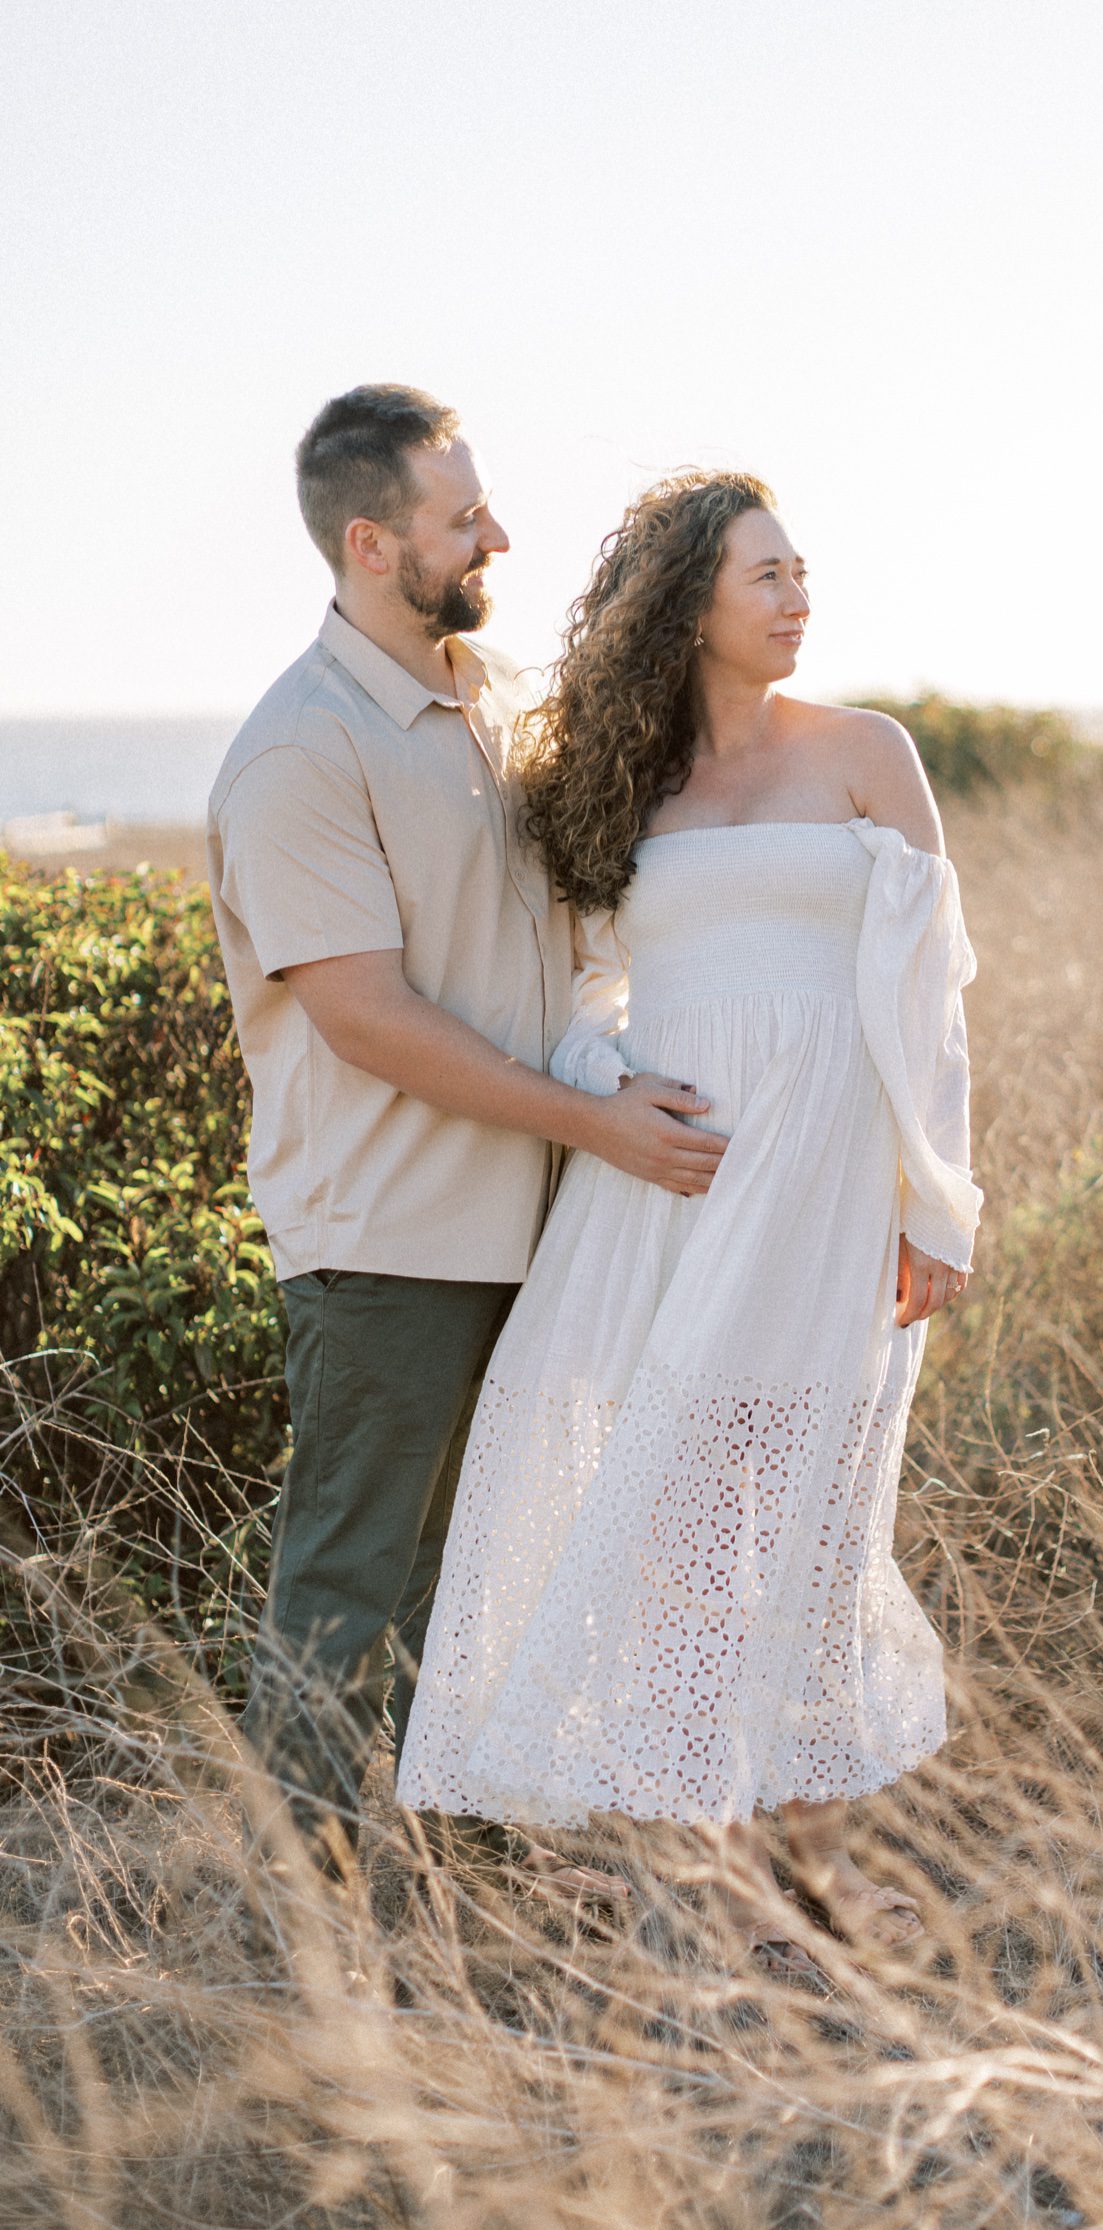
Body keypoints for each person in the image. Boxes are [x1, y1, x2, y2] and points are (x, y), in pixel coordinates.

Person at [398, 470, 981, 1972]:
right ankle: (711, 1876)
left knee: (812, 1522)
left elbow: (934, 1003)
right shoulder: (623, 787)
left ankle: (824, 1883)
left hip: (831, 1197)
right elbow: (584, 988)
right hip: (677, 1183)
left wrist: (941, 1201)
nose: (797, 596)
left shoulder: (868, 755)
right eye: (764, 576)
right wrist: (611, 1088)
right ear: (689, 606)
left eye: (803, 571)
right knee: (674, 1524)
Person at [207, 387, 727, 1883]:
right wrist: (594, 1125)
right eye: (462, 517)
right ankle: (296, 1948)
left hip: (544, 1224)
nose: (497, 534)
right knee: (348, 1586)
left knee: (497, 1579)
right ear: (372, 544)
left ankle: (477, 1892)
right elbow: (364, 1016)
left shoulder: (492, 698)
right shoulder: (298, 752)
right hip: (391, 1242)